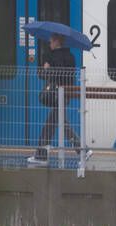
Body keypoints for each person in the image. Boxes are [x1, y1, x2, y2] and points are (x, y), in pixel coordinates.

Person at [27, 34, 92, 165]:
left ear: (57, 41)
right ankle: (42, 155)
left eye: (51, 41)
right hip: (66, 93)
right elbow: (69, 75)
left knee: (58, 124)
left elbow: (44, 75)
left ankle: (82, 151)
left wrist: (46, 69)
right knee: (54, 123)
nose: (49, 43)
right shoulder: (71, 56)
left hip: (55, 93)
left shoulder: (51, 56)